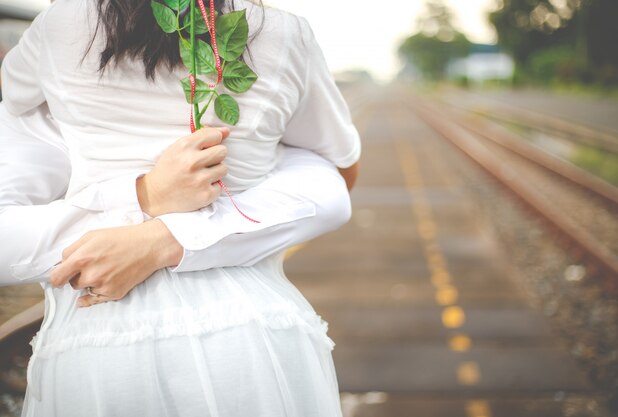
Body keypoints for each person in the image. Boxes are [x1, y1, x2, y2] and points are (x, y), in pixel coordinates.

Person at [0, 0, 361, 416]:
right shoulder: (283, 33)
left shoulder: (59, 25)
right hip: (254, 335)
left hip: (101, 346)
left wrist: (143, 202)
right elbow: (340, 168)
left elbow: (15, 93)